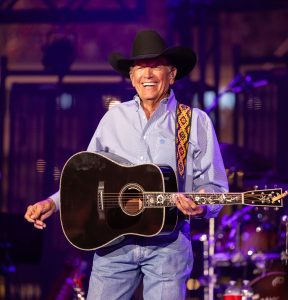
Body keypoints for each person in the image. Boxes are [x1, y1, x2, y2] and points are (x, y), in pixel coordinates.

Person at [25, 29, 228, 300]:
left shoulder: (194, 121)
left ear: (172, 74)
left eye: (156, 66)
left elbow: (214, 186)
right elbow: (82, 180)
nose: (148, 74)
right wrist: (52, 203)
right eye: (141, 67)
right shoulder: (113, 119)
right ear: (132, 77)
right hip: (113, 244)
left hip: (168, 245)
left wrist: (202, 205)